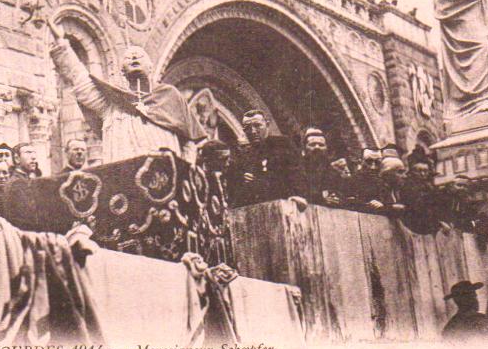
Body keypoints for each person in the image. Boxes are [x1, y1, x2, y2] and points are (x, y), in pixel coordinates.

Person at [48, 17, 207, 164]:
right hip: (125, 179)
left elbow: (189, 141)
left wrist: (187, 169)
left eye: (139, 56)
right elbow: (81, 81)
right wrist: (62, 44)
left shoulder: (170, 96)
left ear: (150, 67)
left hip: (165, 179)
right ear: (122, 71)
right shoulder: (112, 104)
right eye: (129, 57)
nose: (134, 57)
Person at [228, 110, 305, 209]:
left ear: (267, 124)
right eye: (247, 128)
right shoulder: (244, 156)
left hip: (283, 204)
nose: (253, 131)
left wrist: (298, 195)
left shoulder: (283, 145)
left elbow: (296, 174)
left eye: (257, 125)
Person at [296, 127, 344, 207]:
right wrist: (322, 198)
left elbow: (341, 194)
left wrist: (337, 199)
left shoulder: (334, 173)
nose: (317, 147)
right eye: (312, 144)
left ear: (327, 148)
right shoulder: (298, 169)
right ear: (304, 148)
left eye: (321, 145)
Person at [346, 147, 385, 212]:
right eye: (369, 162)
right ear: (360, 161)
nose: (373, 167)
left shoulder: (384, 183)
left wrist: (383, 206)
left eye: (377, 162)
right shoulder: (349, 182)